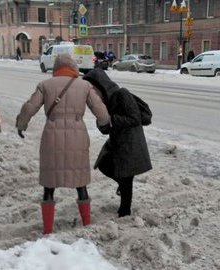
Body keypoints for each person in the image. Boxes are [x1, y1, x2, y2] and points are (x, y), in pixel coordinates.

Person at [15, 54, 110, 234]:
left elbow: (30, 107)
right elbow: (101, 111)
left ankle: (48, 230)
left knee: (49, 185)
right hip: (77, 136)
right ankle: (87, 223)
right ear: (74, 67)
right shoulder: (85, 86)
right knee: (80, 183)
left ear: (56, 68)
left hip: (52, 137)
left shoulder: (45, 85)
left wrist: (21, 124)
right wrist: (105, 122)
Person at [83, 68, 152, 218]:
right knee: (104, 164)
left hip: (131, 143)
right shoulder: (105, 101)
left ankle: (124, 212)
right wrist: (102, 123)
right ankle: (123, 192)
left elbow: (135, 119)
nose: (92, 93)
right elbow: (106, 129)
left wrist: (112, 120)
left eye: (93, 89)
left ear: (101, 85)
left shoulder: (122, 94)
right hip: (118, 143)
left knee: (127, 178)